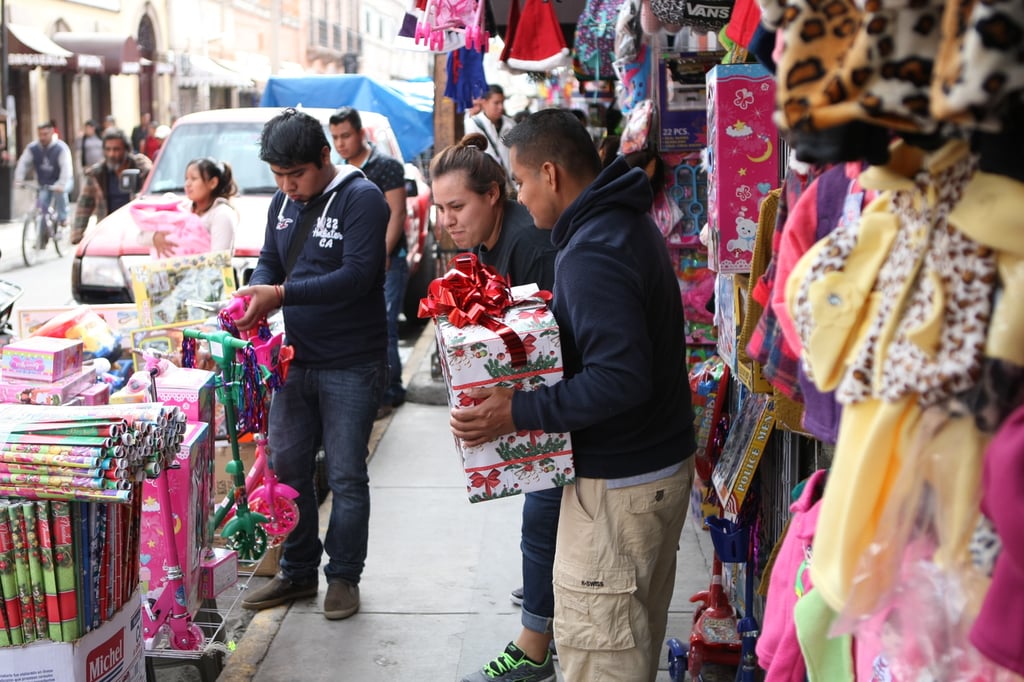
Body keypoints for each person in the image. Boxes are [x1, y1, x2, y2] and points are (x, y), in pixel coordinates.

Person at [450, 109, 697, 681]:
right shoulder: (618, 226)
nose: (520, 195)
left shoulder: (594, 249)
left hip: (621, 487)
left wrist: (517, 412)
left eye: (520, 181)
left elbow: (620, 379)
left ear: (551, 173)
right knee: (624, 645)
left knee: (602, 658)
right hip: (646, 471)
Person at [234, 108, 389, 622]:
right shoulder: (282, 202)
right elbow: (271, 260)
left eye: (295, 175)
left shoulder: (360, 199)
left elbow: (359, 276)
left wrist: (278, 293)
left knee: (345, 475)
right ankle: (297, 572)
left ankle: (344, 575)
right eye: (278, 176)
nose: (287, 186)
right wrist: (256, 289)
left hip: (350, 362)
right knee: (287, 470)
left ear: (325, 157)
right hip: (293, 361)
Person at [431, 133, 561, 682]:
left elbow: (553, 341)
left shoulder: (529, 244)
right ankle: (542, 598)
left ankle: (535, 647)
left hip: (563, 408)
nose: (447, 221)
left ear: (494, 195)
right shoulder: (488, 244)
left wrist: (509, 409)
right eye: (440, 209)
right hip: (539, 407)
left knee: (542, 517)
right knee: (541, 522)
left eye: (456, 207)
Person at [329, 106, 408, 419]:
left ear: (361, 134)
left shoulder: (386, 166)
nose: (341, 143)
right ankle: (383, 389)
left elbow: (397, 213)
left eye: (346, 135)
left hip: (389, 260)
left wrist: (383, 254)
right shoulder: (339, 172)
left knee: (385, 325)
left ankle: (390, 392)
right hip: (355, 265)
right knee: (364, 326)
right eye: (335, 137)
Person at [138, 157, 238, 257]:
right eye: (186, 179)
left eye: (194, 179)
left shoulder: (222, 215)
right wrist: (155, 237)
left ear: (213, 183)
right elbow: (141, 237)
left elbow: (219, 260)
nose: (187, 184)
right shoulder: (181, 208)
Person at [72, 128, 152, 244]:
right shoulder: (97, 174)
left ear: (126, 149)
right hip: (108, 231)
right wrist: (77, 234)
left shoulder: (140, 169)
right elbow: (85, 203)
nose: (112, 154)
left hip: (136, 229)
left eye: (116, 149)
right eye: (108, 149)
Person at [14, 121, 74, 228]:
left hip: (63, 181)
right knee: (42, 207)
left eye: (45, 134)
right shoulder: (33, 148)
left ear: (52, 133)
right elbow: (23, 163)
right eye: (40, 134)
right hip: (45, 184)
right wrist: (19, 179)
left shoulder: (61, 148)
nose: (42, 137)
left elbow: (66, 169)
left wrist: (61, 184)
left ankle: (63, 218)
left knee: (60, 192)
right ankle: (41, 238)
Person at [466, 84, 515, 174]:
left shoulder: (510, 124)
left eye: (502, 103)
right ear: (484, 103)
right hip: (485, 180)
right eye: (496, 103)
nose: (501, 107)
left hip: (508, 180)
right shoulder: (472, 124)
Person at [73, 120, 104, 200]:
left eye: (88, 128)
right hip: (88, 167)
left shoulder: (100, 138)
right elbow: (77, 148)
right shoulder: (83, 140)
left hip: (99, 165)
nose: (87, 130)